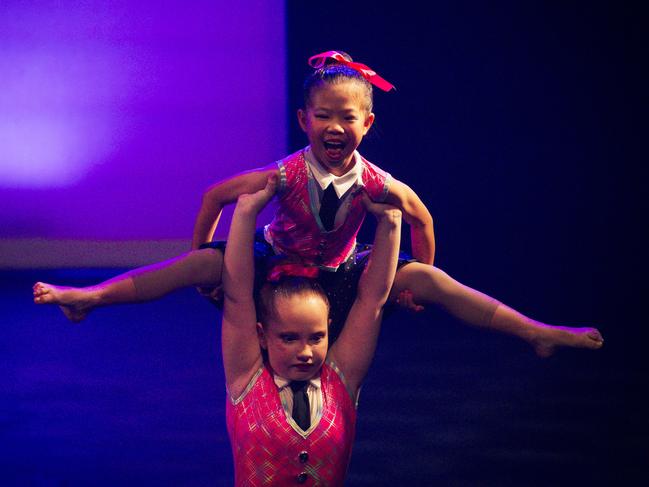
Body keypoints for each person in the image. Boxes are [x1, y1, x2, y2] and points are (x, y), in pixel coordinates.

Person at [33, 50, 603, 356]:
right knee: (201, 264)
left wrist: (417, 277)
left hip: (340, 274)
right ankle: (92, 297)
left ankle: (534, 332)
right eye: (322, 116)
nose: (334, 126)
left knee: (438, 282)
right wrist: (204, 255)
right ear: (304, 120)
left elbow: (422, 217)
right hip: (275, 268)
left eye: (347, 117)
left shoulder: (378, 184)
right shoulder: (284, 174)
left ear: (367, 123)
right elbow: (214, 195)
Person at [222, 175, 402, 485]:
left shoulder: (340, 381)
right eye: (289, 338)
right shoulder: (246, 379)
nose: (305, 352)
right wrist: (245, 213)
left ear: (329, 330)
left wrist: (390, 223)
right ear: (263, 336)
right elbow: (237, 294)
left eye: (316, 338)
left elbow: (371, 300)